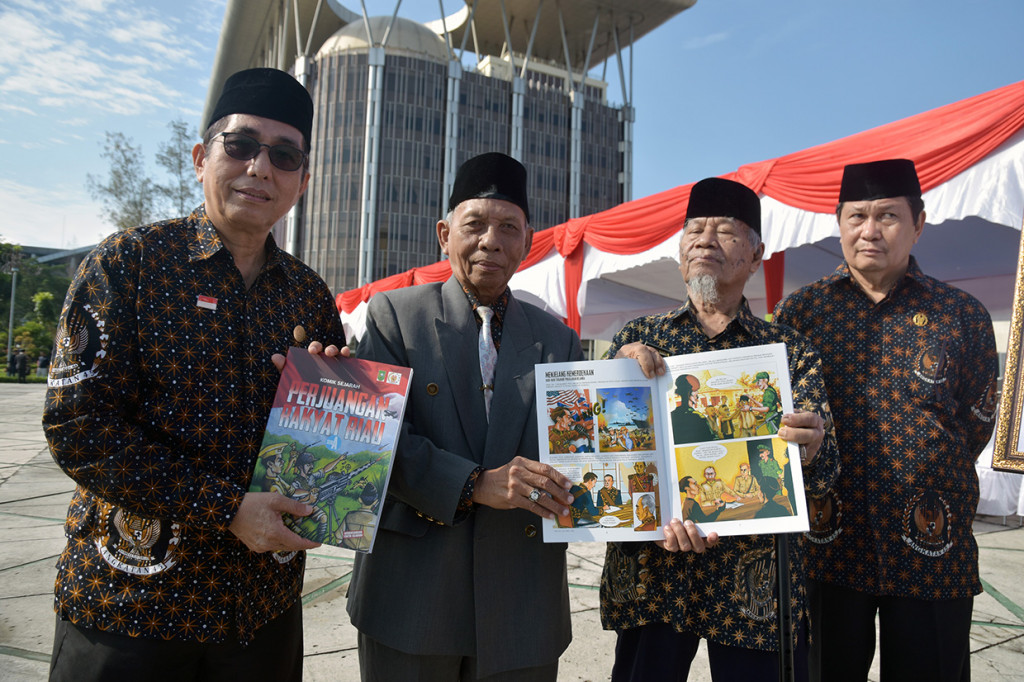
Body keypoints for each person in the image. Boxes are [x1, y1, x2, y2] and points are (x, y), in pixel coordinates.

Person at [42, 68, 346, 681]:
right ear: (201, 157)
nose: (261, 167)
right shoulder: (129, 264)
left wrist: (336, 406)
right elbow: (77, 426)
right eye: (241, 145)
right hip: (132, 610)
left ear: (302, 182)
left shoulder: (310, 297)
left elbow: (321, 451)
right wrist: (225, 507)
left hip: (259, 611)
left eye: (284, 155)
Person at [342, 152, 582, 681]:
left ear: (526, 240)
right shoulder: (393, 317)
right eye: (474, 224)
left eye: (508, 228)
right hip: (412, 597)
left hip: (523, 603)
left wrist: (631, 368)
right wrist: (474, 483)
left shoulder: (558, 339)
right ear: (444, 234)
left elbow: (583, 444)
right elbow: (376, 442)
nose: (491, 240)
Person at [599, 177, 840, 681]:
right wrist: (614, 380)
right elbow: (604, 461)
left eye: (725, 231)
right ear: (680, 251)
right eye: (694, 230)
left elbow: (824, 476)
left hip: (754, 584)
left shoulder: (789, 352)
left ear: (756, 257)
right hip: (654, 577)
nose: (705, 240)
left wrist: (813, 446)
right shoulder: (637, 339)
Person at [773, 158, 998, 682]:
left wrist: (924, 469)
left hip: (931, 550)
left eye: (888, 217)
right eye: (856, 217)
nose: (869, 231)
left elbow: (975, 424)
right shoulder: (799, 314)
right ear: (839, 221)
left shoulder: (961, 315)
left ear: (918, 223)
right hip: (827, 550)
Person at [669, 373, 715, 443]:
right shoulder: (698, 417)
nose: (697, 394)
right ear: (687, 392)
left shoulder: (672, 415)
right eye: (694, 390)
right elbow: (710, 438)